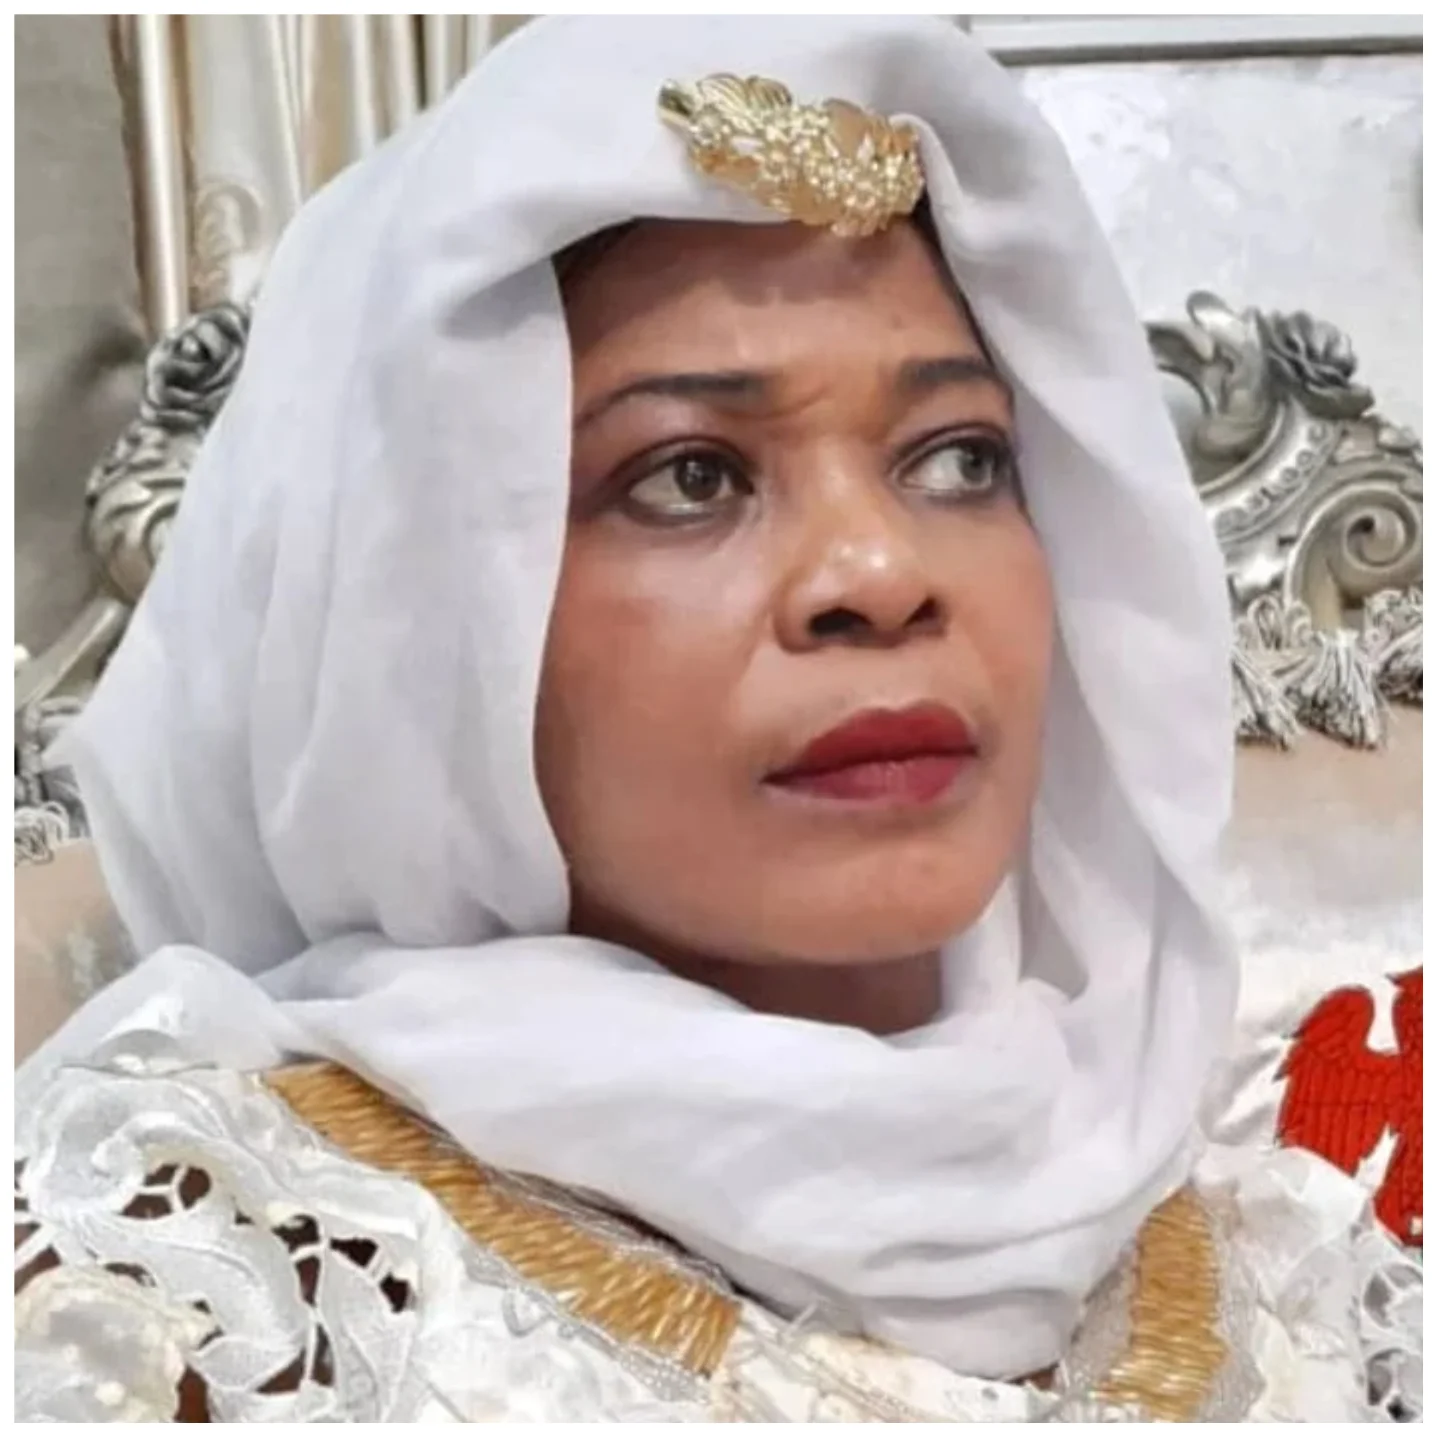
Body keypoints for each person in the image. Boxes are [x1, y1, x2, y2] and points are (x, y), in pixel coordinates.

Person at [14, 16, 1419, 1423]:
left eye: (957, 458)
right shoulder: (210, 1277)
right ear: (423, 631)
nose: (880, 574)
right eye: (689, 477)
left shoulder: (1286, 1261)